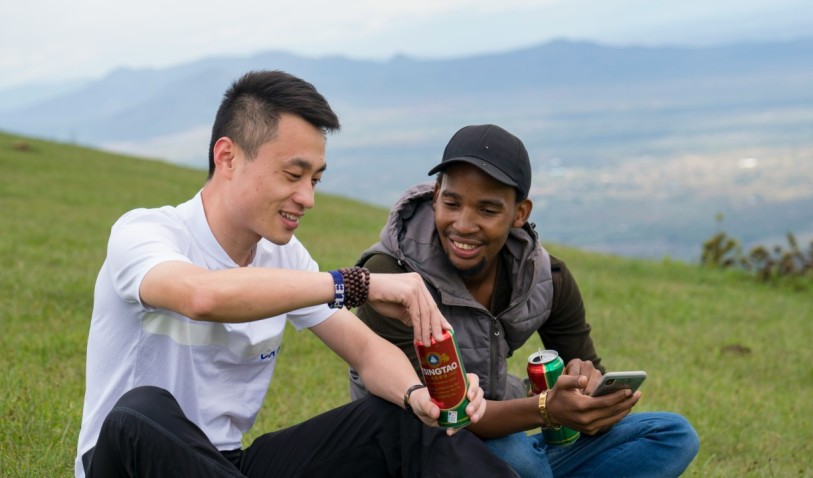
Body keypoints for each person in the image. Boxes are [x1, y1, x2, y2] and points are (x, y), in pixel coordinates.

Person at [74, 71, 519, 478]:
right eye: (293, 174)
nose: (307, 198)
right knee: (140, 411)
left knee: (392, 421)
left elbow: (365, 350)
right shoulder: (146, 233)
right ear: (227, 157)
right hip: (125, 463)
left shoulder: (284, 258)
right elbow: (201, 297)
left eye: (316, 180)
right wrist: (357, 284)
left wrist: (415, 396)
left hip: (224, 465)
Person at [350, 124, 700, 477]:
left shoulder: (547, 279)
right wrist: (545, 409)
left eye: (487, 210)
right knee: (523, 462)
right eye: (452, 203)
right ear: (436, 194)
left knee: (671, 435)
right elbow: (442, 415)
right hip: (414, 447)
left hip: (504, 434)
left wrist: (590, 395)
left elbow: (587, 387)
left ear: (520, 213)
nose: (464, 224)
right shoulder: (389, 278)